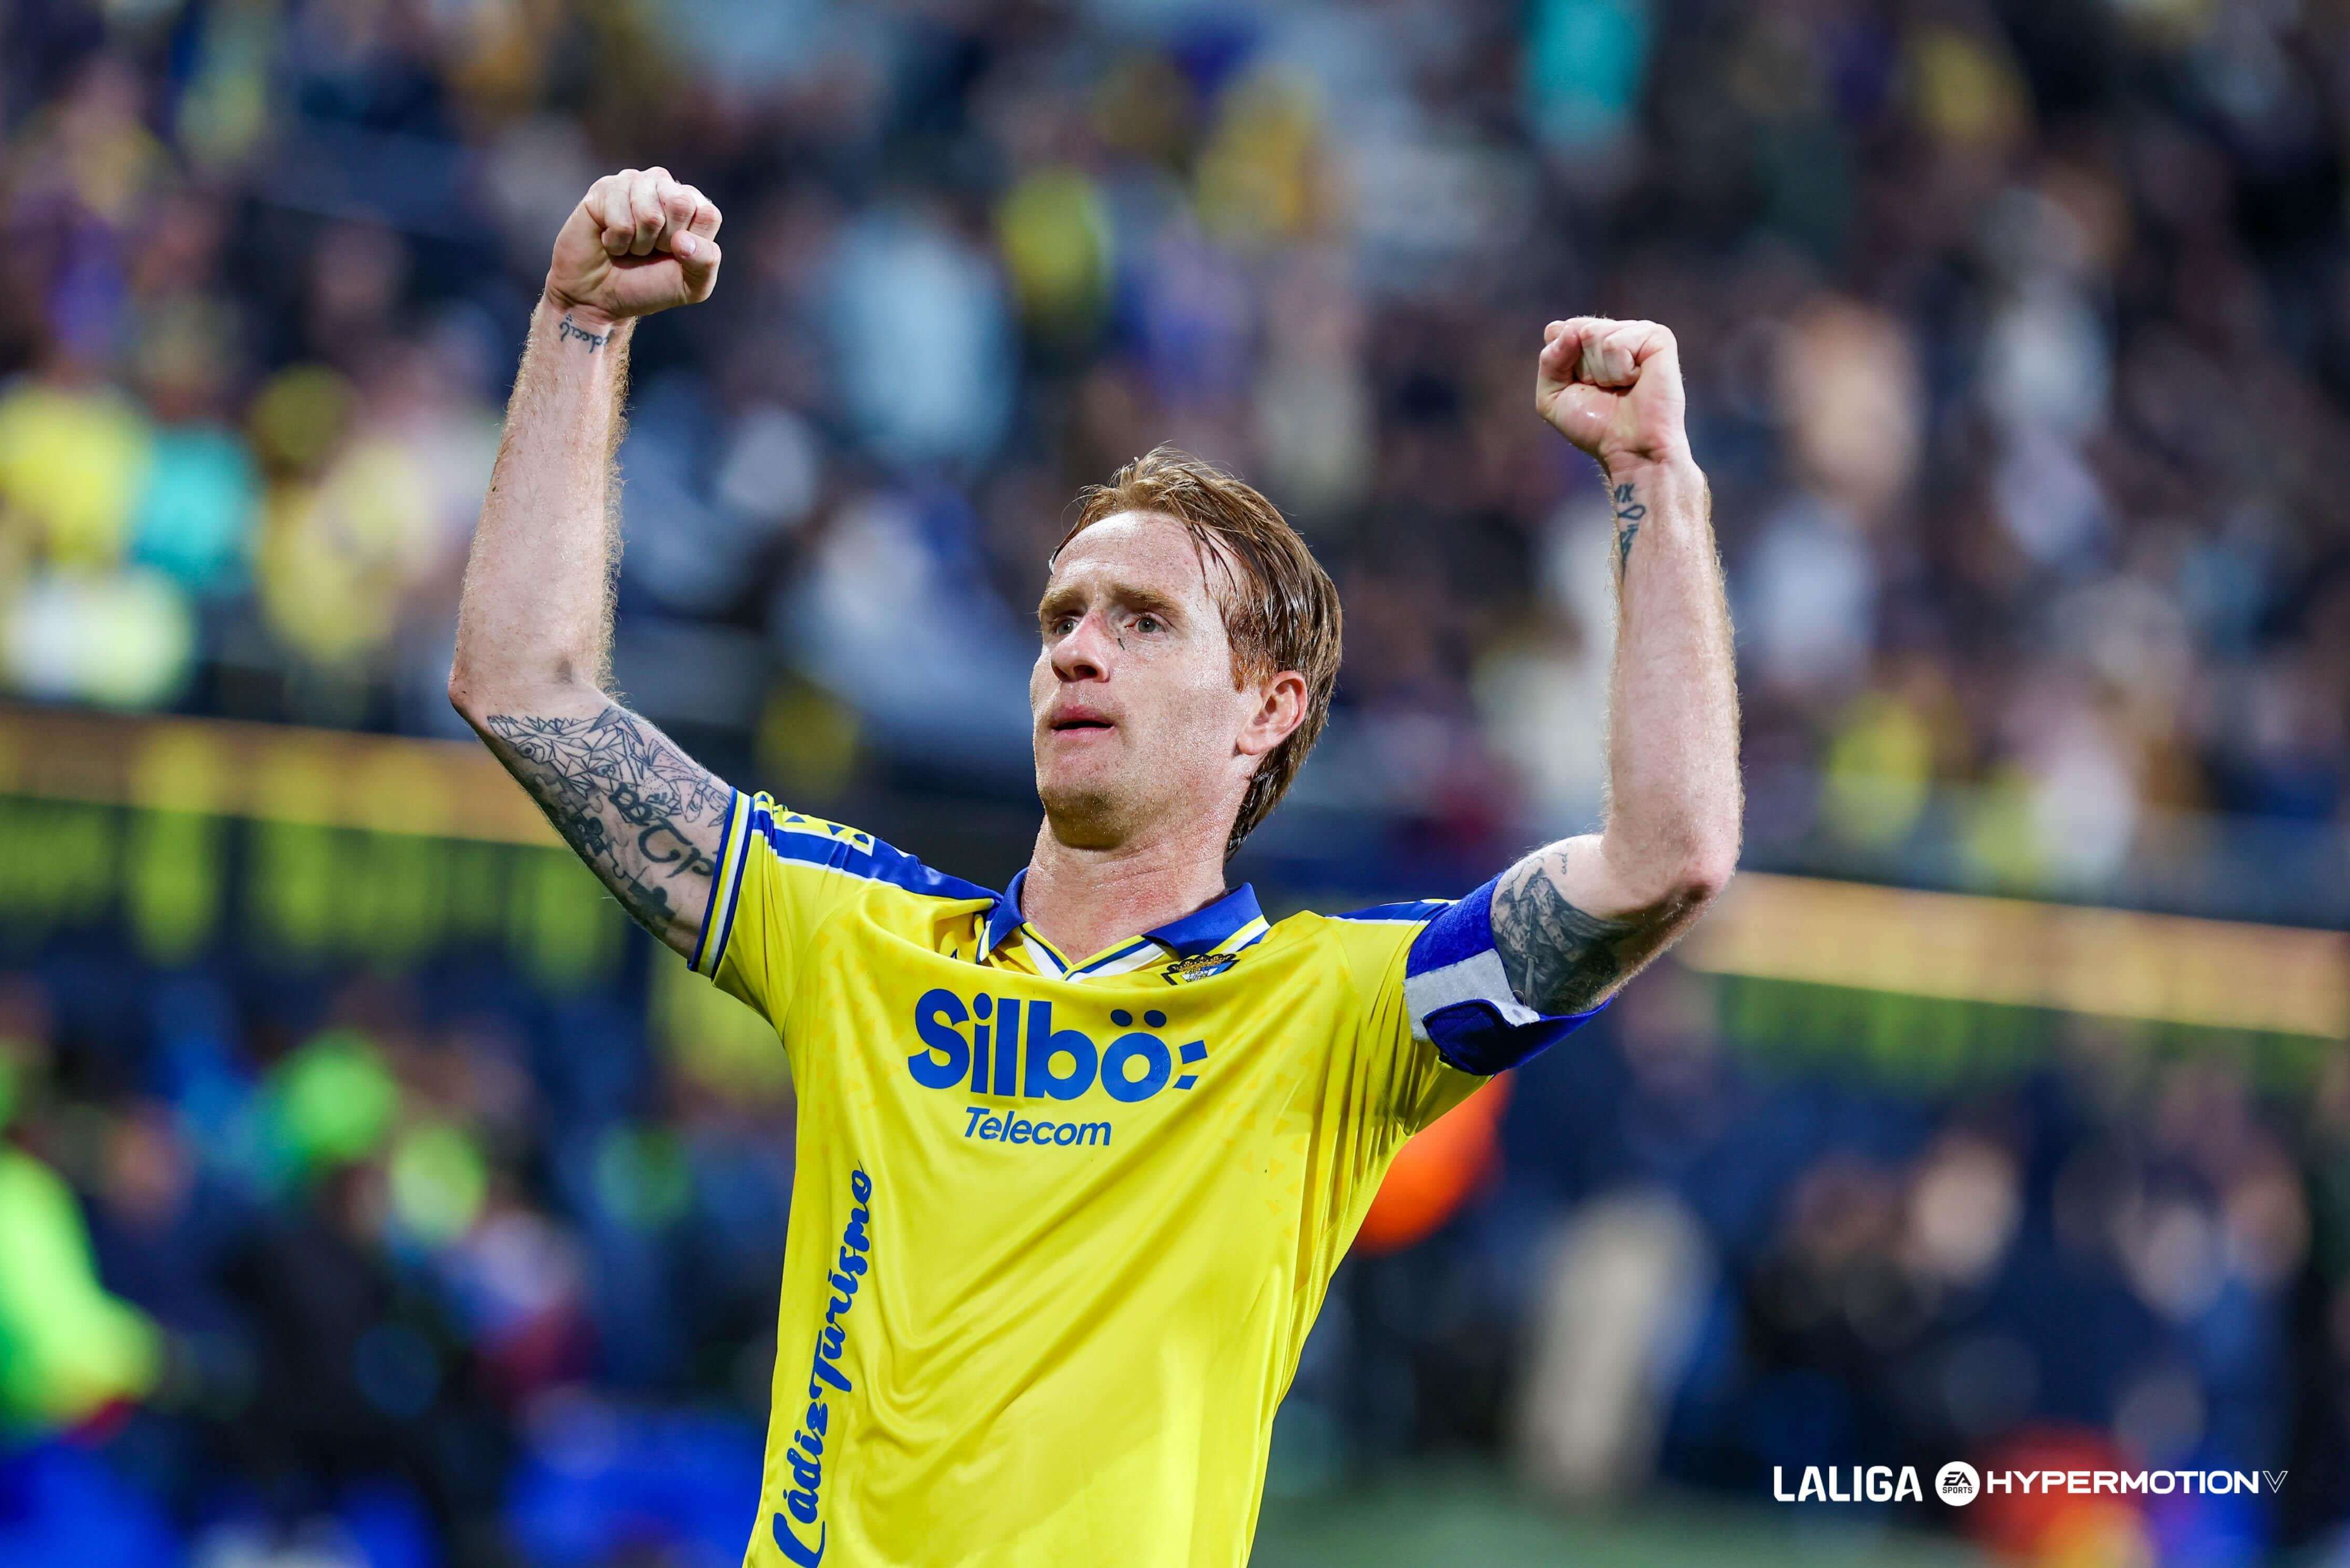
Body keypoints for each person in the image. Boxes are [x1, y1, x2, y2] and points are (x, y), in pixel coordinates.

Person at [449, 167, 1740, 1568]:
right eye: (1061, 614)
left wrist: (1652, 481)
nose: (1073, 646)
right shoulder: (857, 936)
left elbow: (1668, 856)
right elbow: (527, 692)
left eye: (1140, 621)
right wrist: (580, 327)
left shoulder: (1327, 1016)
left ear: (1267, 710)